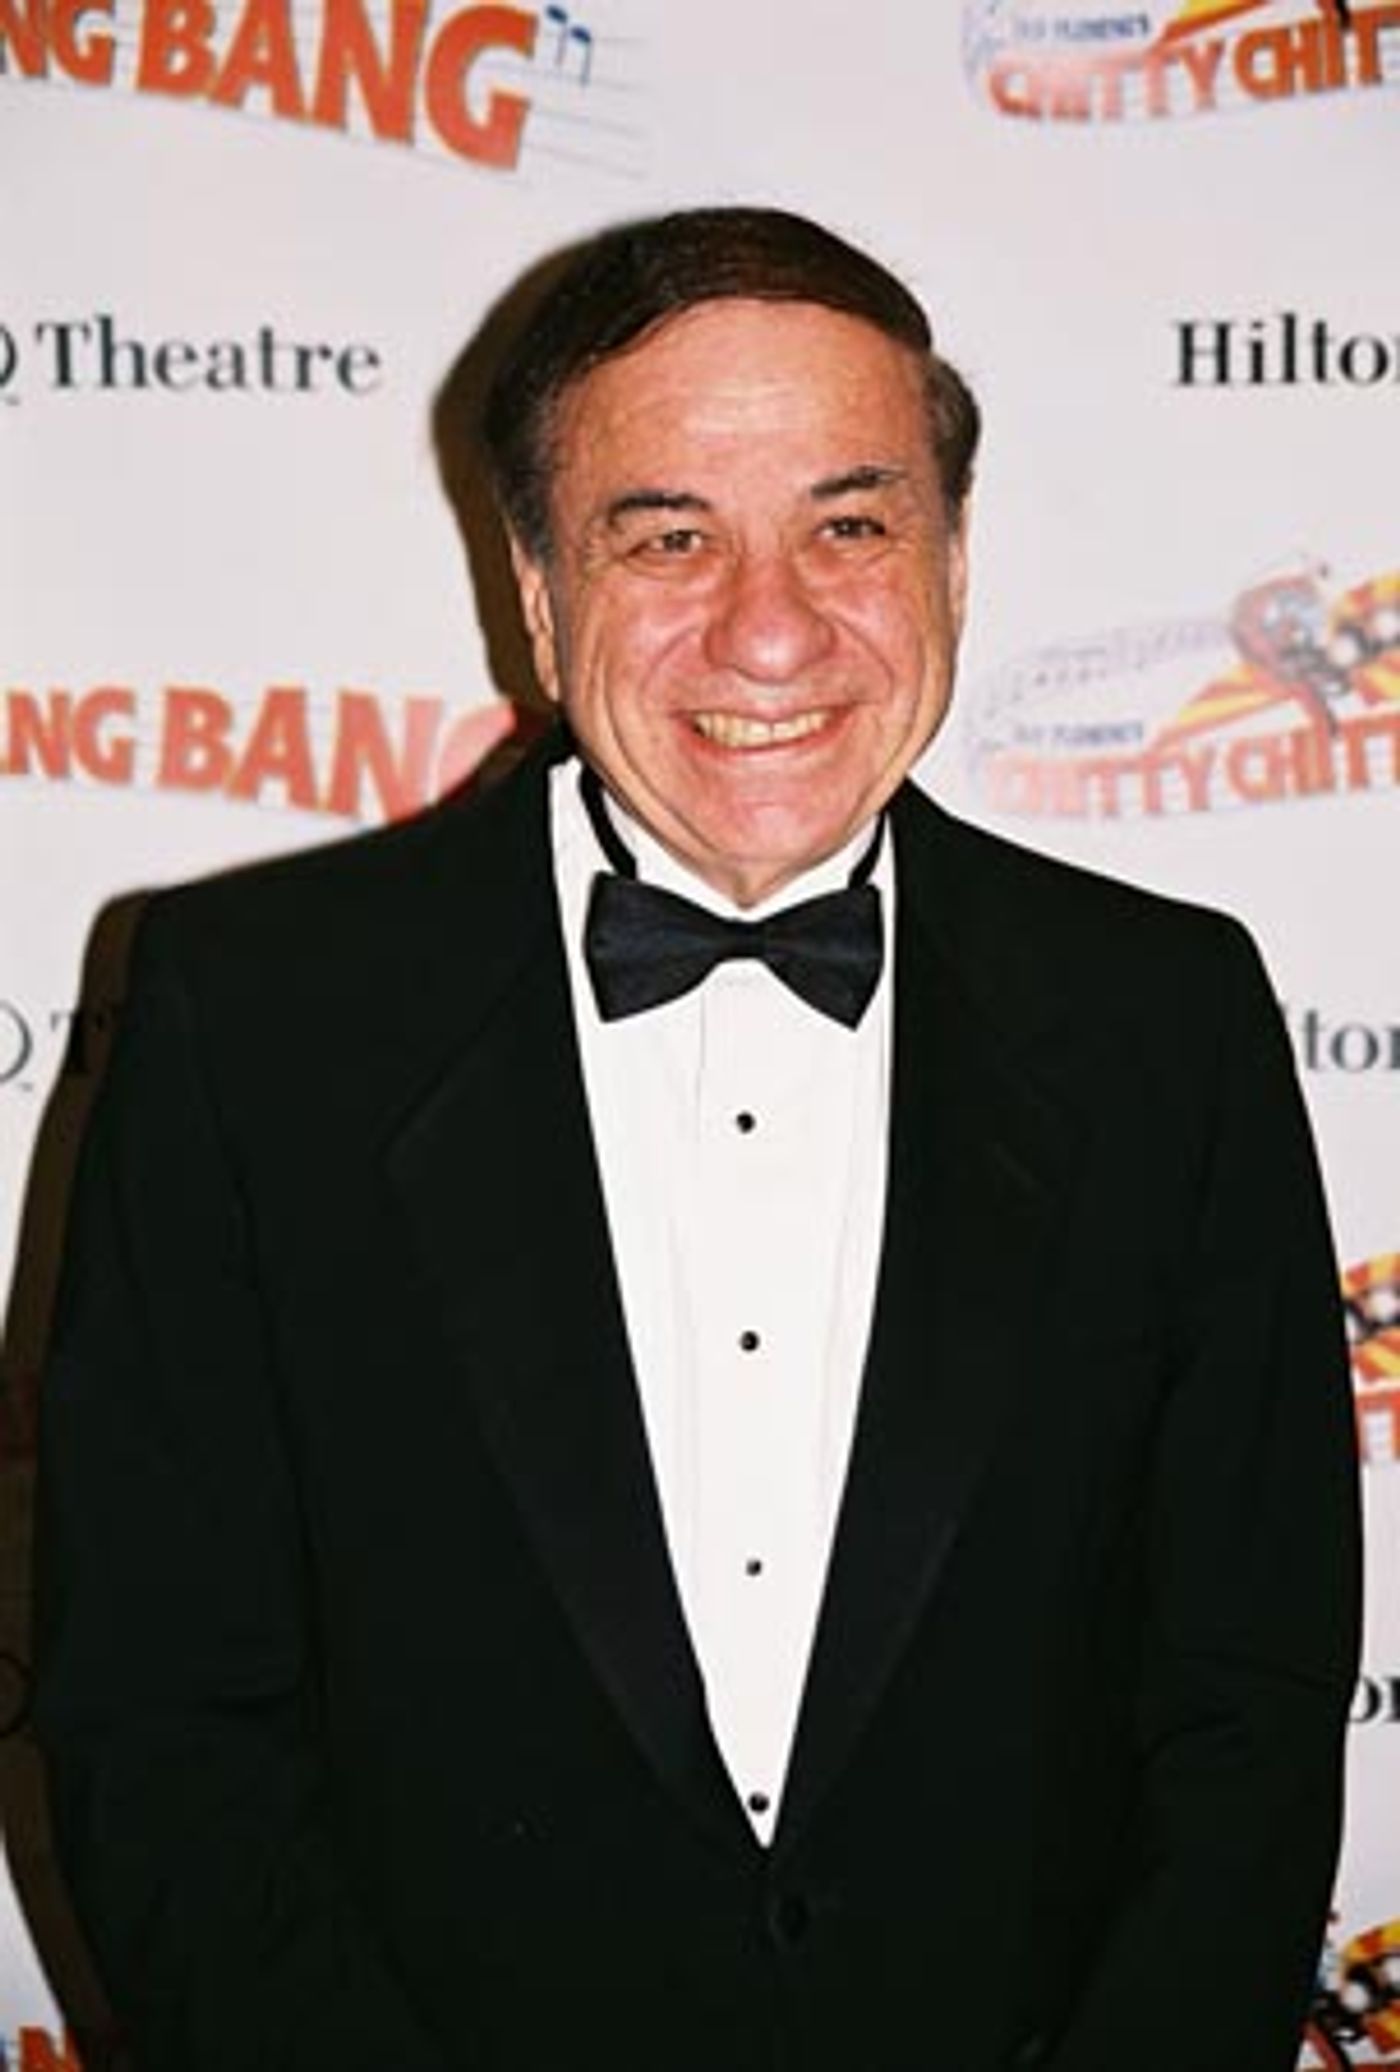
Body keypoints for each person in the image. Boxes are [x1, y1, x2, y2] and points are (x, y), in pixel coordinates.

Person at [33, 207, 1360, 2072]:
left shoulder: (1169, 1019)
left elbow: (1250, 1698)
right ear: (533, 586)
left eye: (851, 526)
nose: (772, 626)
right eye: (668, 536)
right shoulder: (252, 1020)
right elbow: (161, 1721)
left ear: (955, 558)